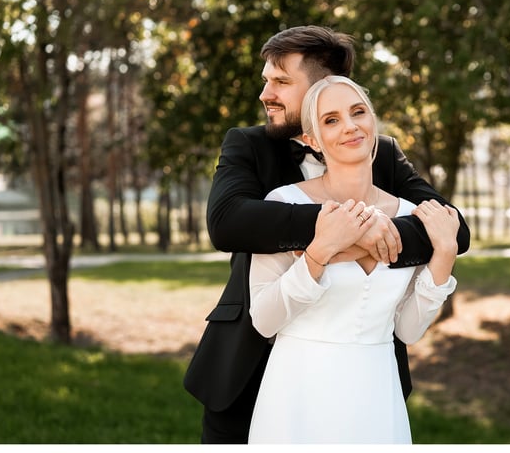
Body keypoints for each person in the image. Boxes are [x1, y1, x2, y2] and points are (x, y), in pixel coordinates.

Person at [183, 25, 471, 444]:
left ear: (326, 85)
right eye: (267, 81)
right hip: (245, 365)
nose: (266, 94)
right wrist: (335, 230)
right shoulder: (248, 145)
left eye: (281, 82)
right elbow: (227, 222)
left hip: (365, 376)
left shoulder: (378, 150)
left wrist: (367, 232)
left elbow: (453, 228)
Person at [247, 75, 460, 443]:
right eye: (331, 120)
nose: (350, 126)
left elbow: (407, 331)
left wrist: (444, 255)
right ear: (312, 139)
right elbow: (264, 321)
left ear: (372, 120)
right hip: (297, 395)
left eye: (358, 112)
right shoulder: (284, 204)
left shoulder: (409, 214)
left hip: (377, 394)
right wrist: (319, 253)